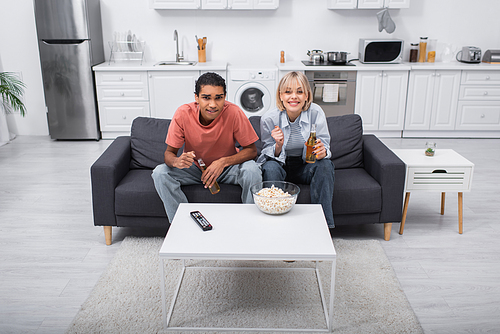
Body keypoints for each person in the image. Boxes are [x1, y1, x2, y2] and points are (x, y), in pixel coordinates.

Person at [152, 72, 262, 223]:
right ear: (196, 98)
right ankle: (182, 224)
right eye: (206, 97)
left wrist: (222, 162)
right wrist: (176, 162)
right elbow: (168, 154)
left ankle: (250, 223)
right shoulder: (183, 113)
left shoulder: (234, 112)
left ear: (224, 97)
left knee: (252, 170)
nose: (213, 104)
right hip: (195, 168)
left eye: (219, 98)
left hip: (227, 169)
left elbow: (252, 150)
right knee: (160, 173)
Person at [257, 71, 335, 228]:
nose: (294, 96)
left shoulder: (316, 112)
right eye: (288, 92)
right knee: (270, 167)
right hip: (280, 165)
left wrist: (323, 152)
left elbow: (325, 145)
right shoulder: (269, 119)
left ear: (307, 95)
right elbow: (266, 153)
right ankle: (276, 224)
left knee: (326, 165)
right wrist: (278, 145)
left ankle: (323, 227)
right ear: (280, 95)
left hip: (306, 165)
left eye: (299, 91)